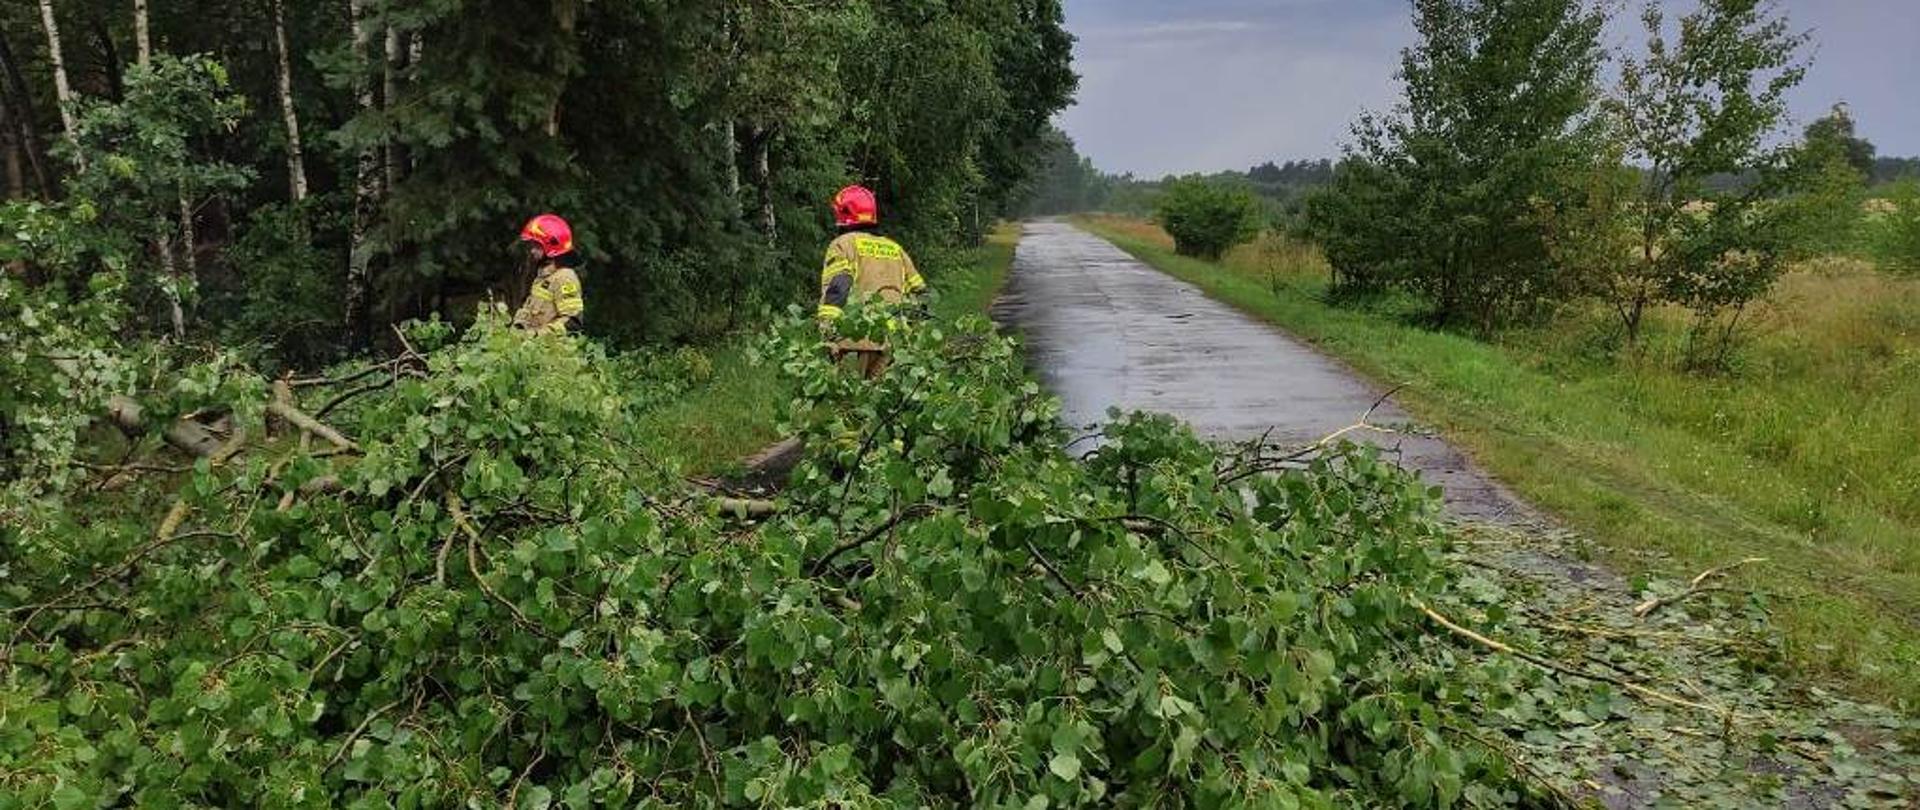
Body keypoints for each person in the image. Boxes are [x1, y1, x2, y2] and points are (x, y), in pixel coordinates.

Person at [817, 185, 925, 377]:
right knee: (880, 400)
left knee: (850, 401)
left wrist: (828, 332)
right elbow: (919, 293)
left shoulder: (843, 245)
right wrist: (911, 336)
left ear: (844, 214)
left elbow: (838, 289)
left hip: (852, 339)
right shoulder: (895, 248)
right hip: (891, 341)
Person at [512, 213, 585, 335]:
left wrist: (536, 335)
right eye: (531, 245)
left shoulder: (565, 277)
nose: (532, 251)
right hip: (533, 349)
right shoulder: (544, 275)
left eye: (537, 246)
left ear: (552, 245)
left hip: (552, 351)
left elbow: (572, 323)